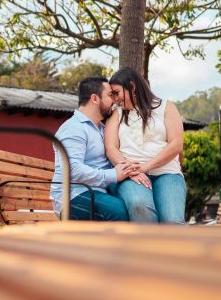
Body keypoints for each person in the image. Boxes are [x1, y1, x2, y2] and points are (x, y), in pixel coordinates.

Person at [104, 68, 187, 224]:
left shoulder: (167, 107)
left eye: (117, 93)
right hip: (131, 176)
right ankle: (146, 248)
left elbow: (176, 144)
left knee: (172, 221)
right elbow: (111, 148)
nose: (115, 99)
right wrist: (131, 170)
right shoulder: (117, 114)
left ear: (132, 87)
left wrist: (145, 166)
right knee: (140, 206)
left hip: (167, 173)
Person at [50, 77, 136, 221]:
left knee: (137, 202)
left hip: (97, 192)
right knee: (117, 210)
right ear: (95, 99)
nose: (114, 100)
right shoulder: (73, 128)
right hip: (72, 197)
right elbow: (73, 169)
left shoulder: (103, 129)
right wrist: (113, 175)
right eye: (110, 95)